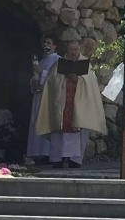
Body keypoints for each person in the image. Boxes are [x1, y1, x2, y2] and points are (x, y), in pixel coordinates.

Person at [35, 40, 106, 168]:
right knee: (58, 133)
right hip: (61, 105)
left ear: (80, 49)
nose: (73, 52)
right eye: (71, 50)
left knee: (78, 132)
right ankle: (57, 159)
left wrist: (79, 80)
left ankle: (75, 160)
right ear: (66, 50)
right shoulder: (58, 64)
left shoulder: (86, 65)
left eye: (75, 49)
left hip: (78, 105)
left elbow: (90, 84)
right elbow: (51, 81)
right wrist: (63, 78)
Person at [26, 36, 59, 165]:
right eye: (44, 43)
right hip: (38, 95)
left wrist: (42, 72)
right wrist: (33, 82)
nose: (46, 45)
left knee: (45, 121)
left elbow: (56, 78)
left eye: (49, 43)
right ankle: (36, 152)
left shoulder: (57, 60)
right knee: (36, 122)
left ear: (55, 46)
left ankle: (46, 153)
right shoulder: (41, 61)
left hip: (49, 97)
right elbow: (35, 78)